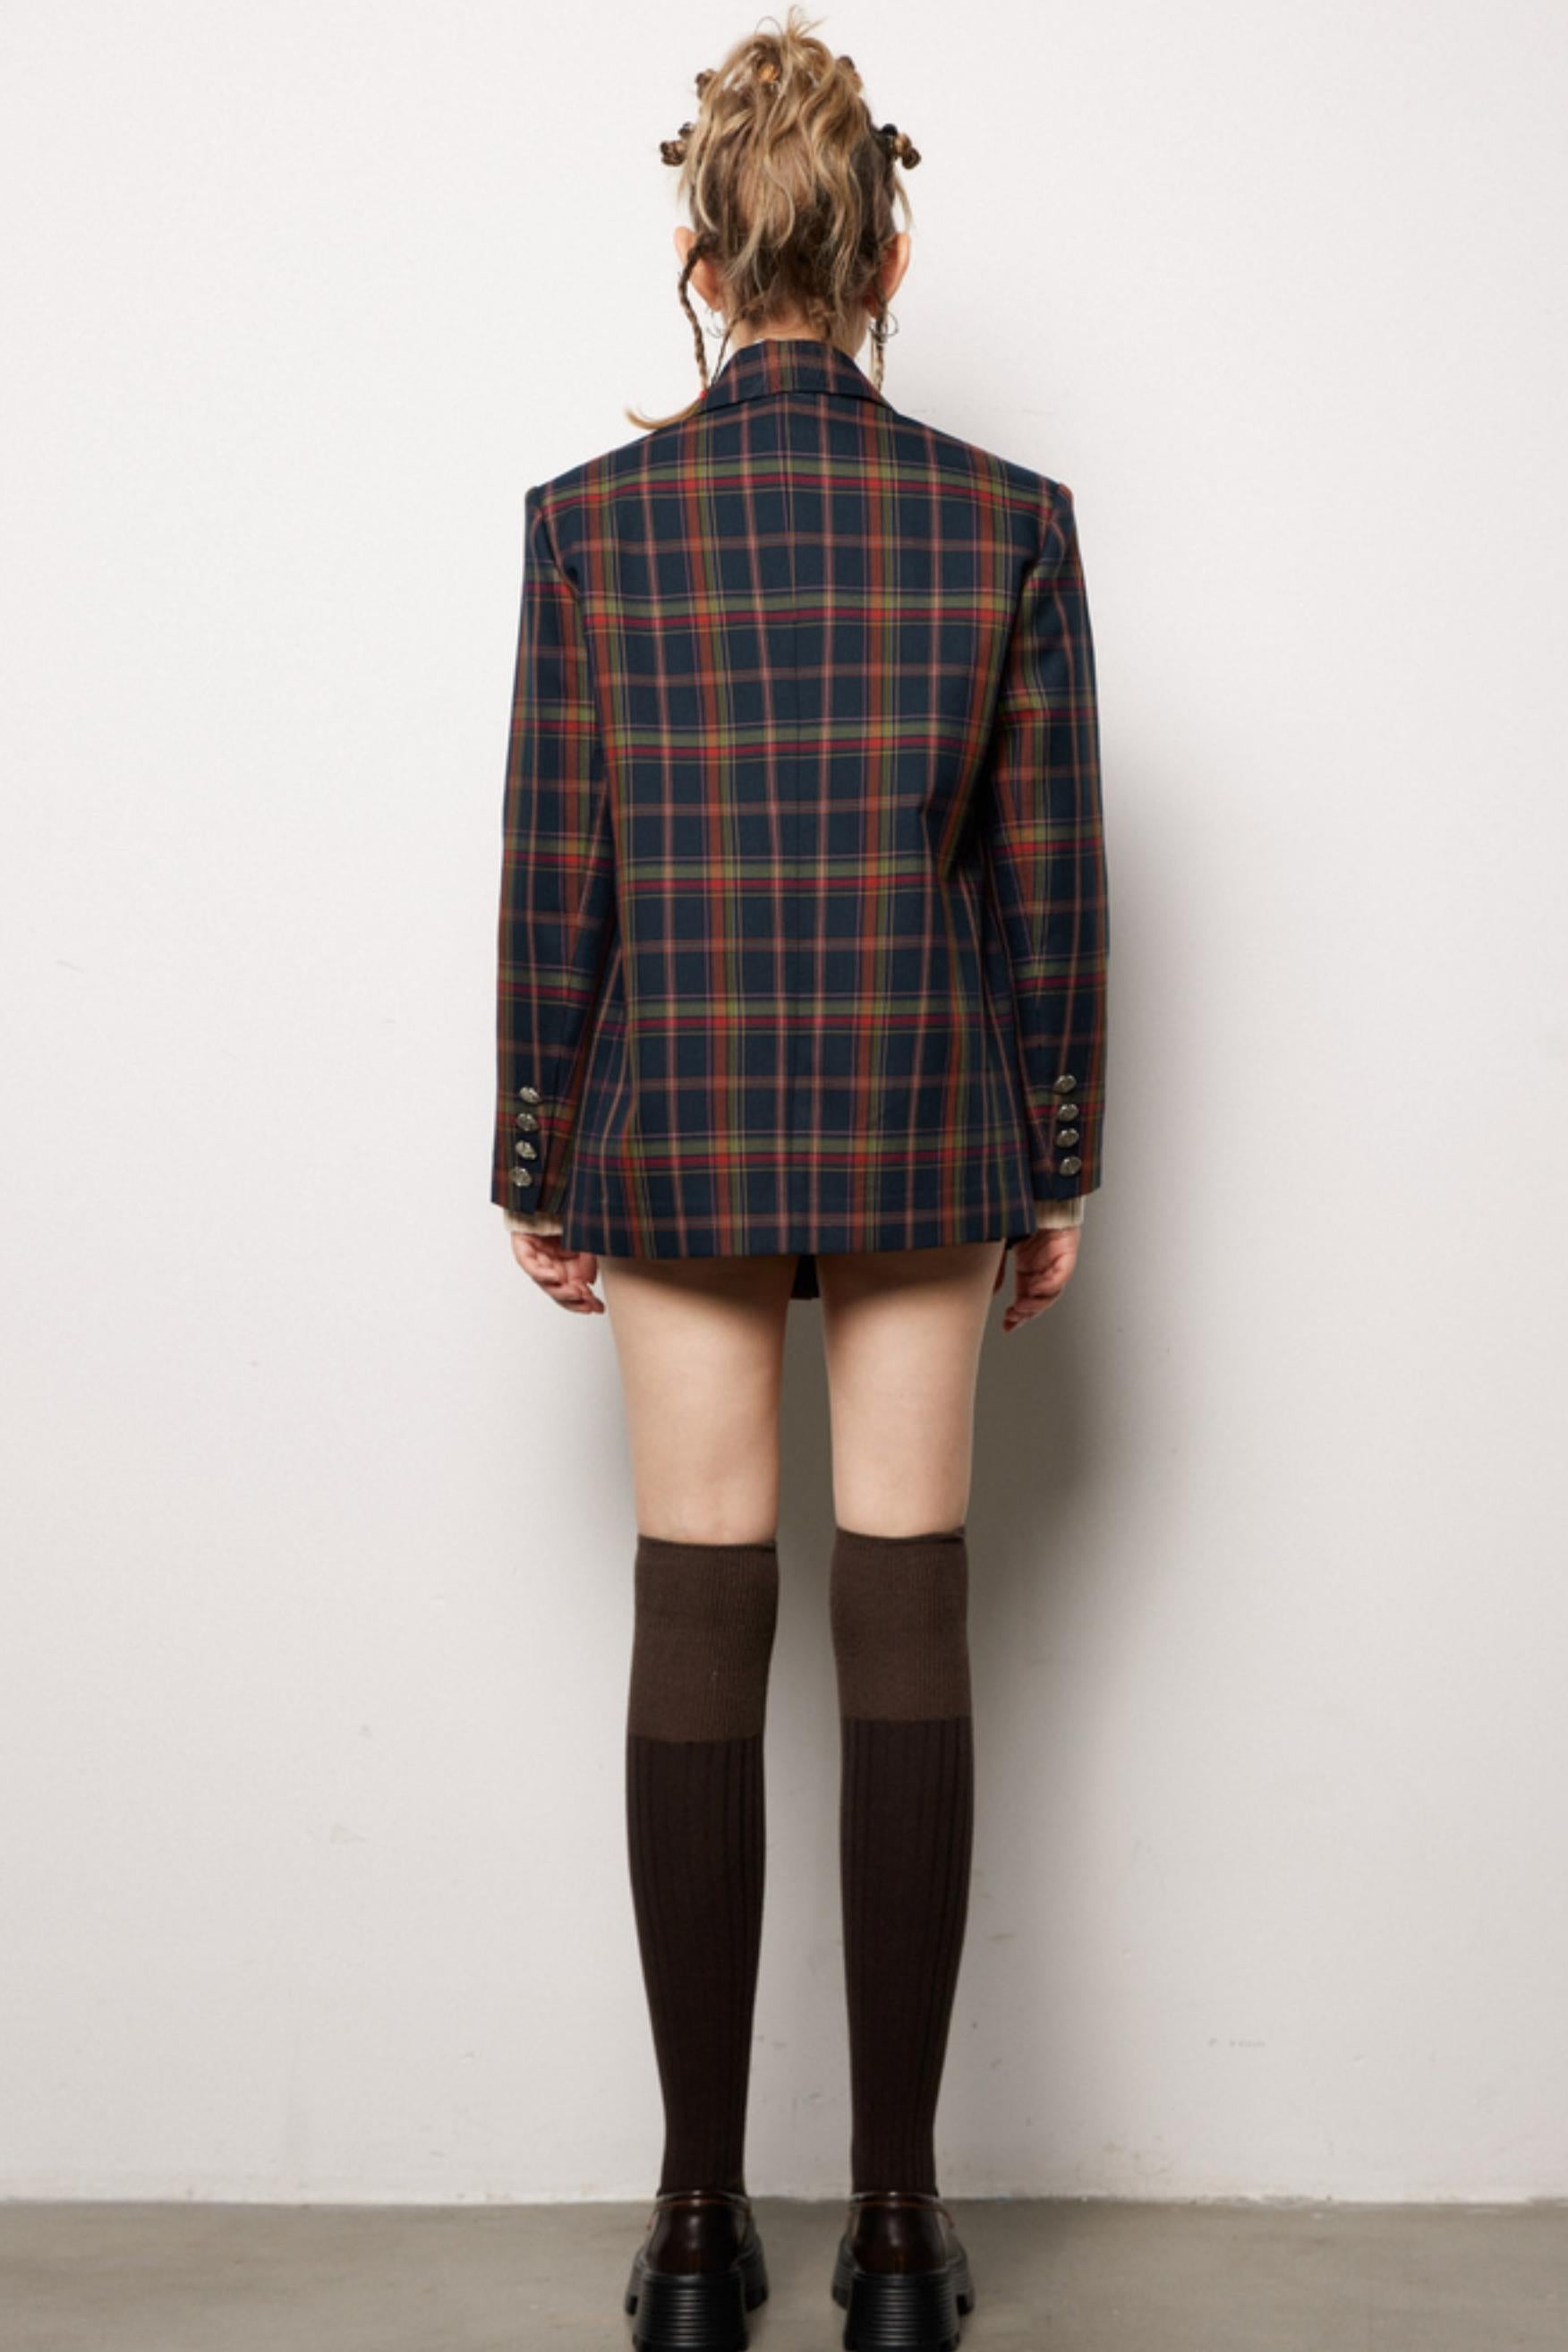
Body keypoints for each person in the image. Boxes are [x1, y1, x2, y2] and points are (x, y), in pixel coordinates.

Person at [489, 13, 1109, 2348]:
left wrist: (539, 1146)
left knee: (697, 1615)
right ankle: (903, 2237)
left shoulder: (588, 527)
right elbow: (1049, 884)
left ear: (698, 261)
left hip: (682, 1111)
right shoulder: (1006, 520)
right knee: (908, 1616)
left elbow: (560, 868)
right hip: (921, 1105)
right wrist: (1055, 1153)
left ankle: (684, 2233)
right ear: (888, 264)